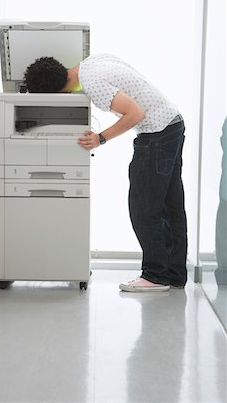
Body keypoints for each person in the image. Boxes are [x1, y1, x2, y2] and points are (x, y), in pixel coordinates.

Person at [23, 54, 188, 292]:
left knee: (143, 207)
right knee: (170, 206)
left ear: (58, 92)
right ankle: (174, 274)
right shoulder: (93, 62)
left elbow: (135, 114)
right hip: (172, 124)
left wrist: (100, 139)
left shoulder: (92, 83)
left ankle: (155, 276)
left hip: (157, 134)